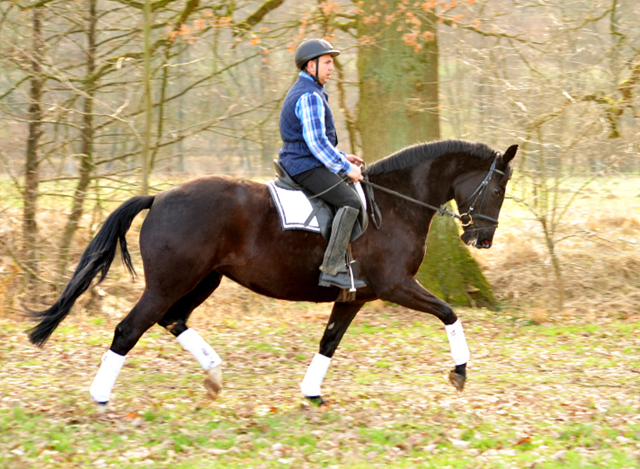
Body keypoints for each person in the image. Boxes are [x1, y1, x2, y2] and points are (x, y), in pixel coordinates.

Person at [278, 38, 365, 290]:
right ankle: (332, 269)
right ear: (310, 66)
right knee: (350, 202)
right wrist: (346, 168)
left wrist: (341, 156)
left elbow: (317, 141)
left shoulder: (308, 91)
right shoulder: (309, 96)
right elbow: (316, 143)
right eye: (327, 62)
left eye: (332, 63)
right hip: (303, 166)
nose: (331, 68)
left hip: (302, 160)